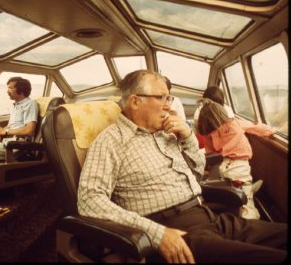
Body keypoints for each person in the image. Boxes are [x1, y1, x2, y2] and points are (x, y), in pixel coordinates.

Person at [77, 69, 287, 263]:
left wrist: (187, 137)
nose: (168, 104)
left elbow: (196, 173)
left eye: (168, 97)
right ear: (135, 102)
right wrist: (157, 234)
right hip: (174, 231)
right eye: (161, 97)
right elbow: (89, 200)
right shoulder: (111, 141)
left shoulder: (165, 134)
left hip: (210, 217)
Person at [197, 99, 275, 220]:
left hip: (223, 166)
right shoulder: (235, 123)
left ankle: (246, 188)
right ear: (223, 113)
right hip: (239, 167)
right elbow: (257, 128)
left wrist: (209, 169)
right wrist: (272, 130)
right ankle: (251, 222)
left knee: (236, 187)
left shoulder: (209, 133)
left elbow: (210, 153)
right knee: (246, 204)